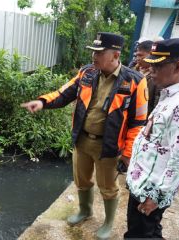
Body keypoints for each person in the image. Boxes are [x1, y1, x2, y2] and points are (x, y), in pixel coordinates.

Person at [21, 32, 148, 239]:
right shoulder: (86, 73)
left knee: (108, 187)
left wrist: (128, 152)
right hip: (82, 140)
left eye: (99, 52)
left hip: (108, 146)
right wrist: (43, 102)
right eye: (93, 52)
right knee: (82, 180)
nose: (94, 56)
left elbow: (138, 122)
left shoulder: (135, 81)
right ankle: (85, 210)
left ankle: (108, 222)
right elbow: (64, 93)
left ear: (115, 55)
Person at [124, 38, 179, 238]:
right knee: (144, 231)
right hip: (142, 183)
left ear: (178, 66)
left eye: (157, 66)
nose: (151, 71)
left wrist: (157, 197)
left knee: (141, 235)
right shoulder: (170, 94)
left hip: (150, 191)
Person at [131, 40, 161, 115]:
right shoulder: (131, 72)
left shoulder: (157, 77)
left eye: (141, 55)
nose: (137, 58)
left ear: (151, 55)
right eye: (137, 55)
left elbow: (156, 104)